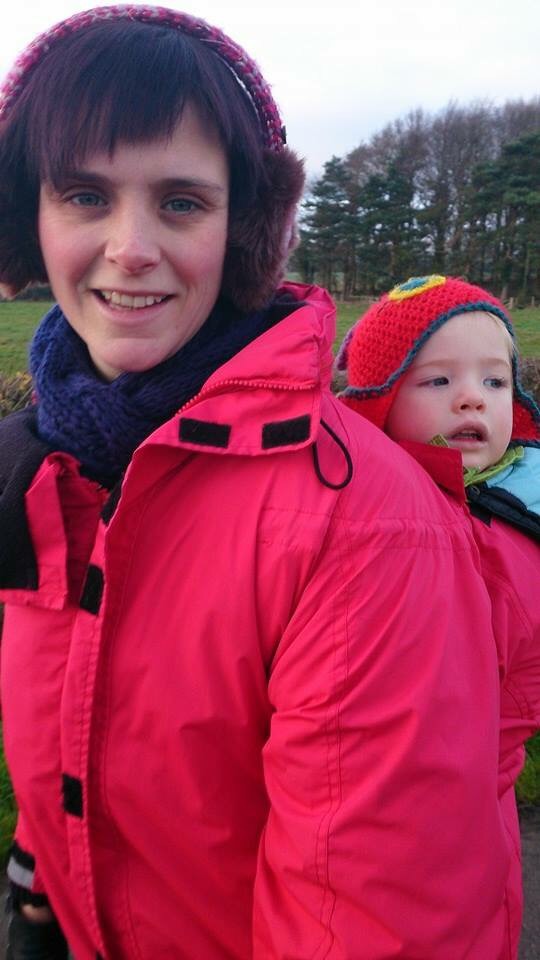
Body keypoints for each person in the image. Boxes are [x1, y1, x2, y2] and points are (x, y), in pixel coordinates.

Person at [0, 9, 512, 957]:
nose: (130, 247)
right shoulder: (39, 465)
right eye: (84, 195)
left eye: (181, 203)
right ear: (27, 217)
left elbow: (371, 921)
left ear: (245, 231)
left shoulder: (366, 527)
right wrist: (42, 869)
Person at [338, 273, 540, 959]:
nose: (471, 397)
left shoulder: (521, 504)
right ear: (379, 401)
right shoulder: (363, 507)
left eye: (495, 381)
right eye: (437, 380)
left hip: (485, 790)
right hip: (375, 799)